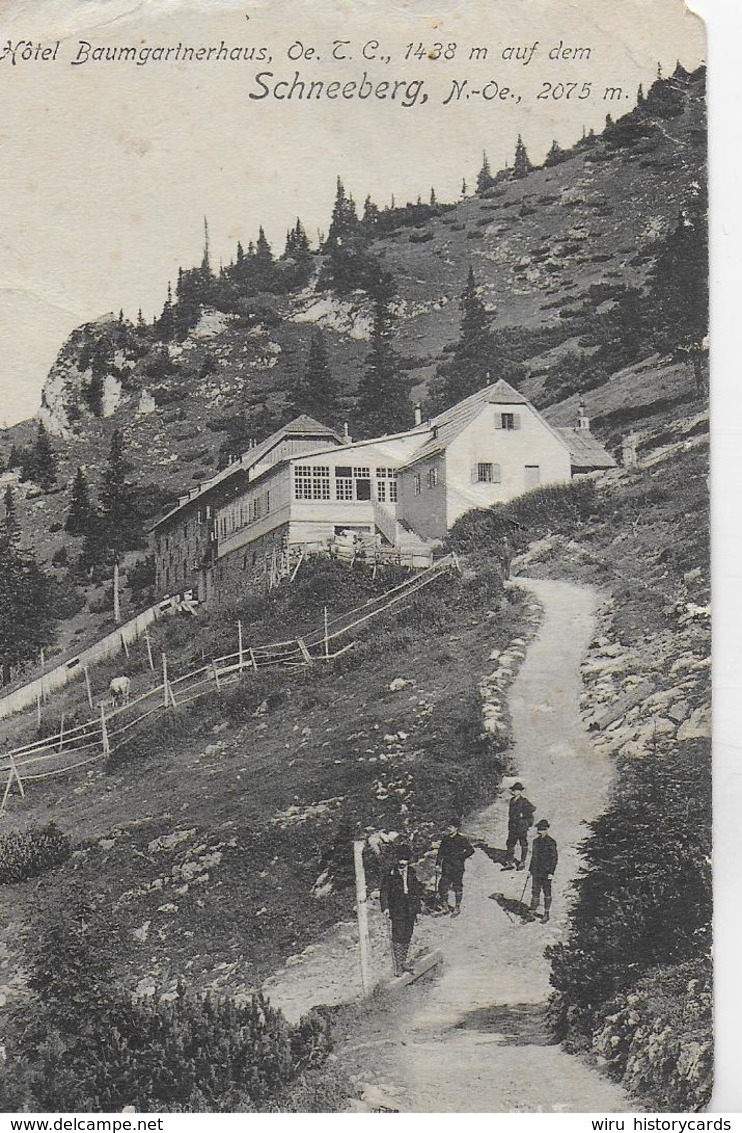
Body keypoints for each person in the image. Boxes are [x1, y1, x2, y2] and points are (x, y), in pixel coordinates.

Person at [380, 844, 425, 976]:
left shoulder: (411, 872)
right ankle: (398, 965)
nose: (402, 863)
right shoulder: (390, 873)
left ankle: (403, 962)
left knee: (407, 934)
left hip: (410, 908)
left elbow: (416, 891)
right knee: (397, 936)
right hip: (397, 908)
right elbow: (384, 892)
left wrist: (417, 909)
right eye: (400, 859)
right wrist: (386, 907)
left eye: (405, 860)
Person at [436, 819, 475, 916]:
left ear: (456, 828)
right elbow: (440, 852)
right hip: (446, 866)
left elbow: (471, 850)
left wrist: (461, 857)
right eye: (448, 827)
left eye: (451, 827)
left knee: (457, 886)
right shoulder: (445, 839)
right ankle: (445, 907)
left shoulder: (461, 839)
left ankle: (457, 908)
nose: (449, 829)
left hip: (457, 867)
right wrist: (437, 864)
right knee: (442, 886)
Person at [502, 782, 536, 871]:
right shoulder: (512, 800)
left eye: (517, 790)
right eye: (514, 790)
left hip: (521, 827)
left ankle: (522, 862)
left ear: (520, 792)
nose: (514, 791)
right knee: (510, 843)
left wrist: (526, 820)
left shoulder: (524, 801)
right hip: (512, 827)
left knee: (523, 844)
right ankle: (509, 863)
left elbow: (532, 809)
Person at [529, 819, 558, 923]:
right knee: (535, 892)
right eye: (538, 829)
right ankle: (532, 913)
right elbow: (534, 857)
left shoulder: (551, 842)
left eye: (542, 829)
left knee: (547, 892)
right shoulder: (535, 841)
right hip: (536, 871)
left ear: (546, 830)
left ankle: (546, 914)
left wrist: (551, 872)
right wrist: (530, 870)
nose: (539, 831)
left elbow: (554, 858)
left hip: (546, 872)